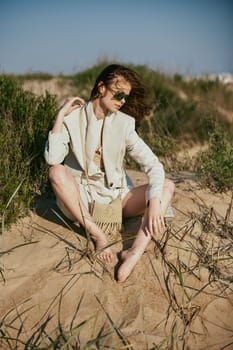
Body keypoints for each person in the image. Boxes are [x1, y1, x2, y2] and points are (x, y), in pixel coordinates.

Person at [44, 64, 175, 283]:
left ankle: (134, 253)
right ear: (101, 87)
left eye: (126, 96)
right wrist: (60, 116)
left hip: (117, 198)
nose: (123, 100)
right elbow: (52, 159)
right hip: (82, 201)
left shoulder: (124, 124)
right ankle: (98, 235)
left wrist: (154, 201)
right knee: (57, 172)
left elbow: (154, 165)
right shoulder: (73, 119)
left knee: (167, 187)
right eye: (119, 94)